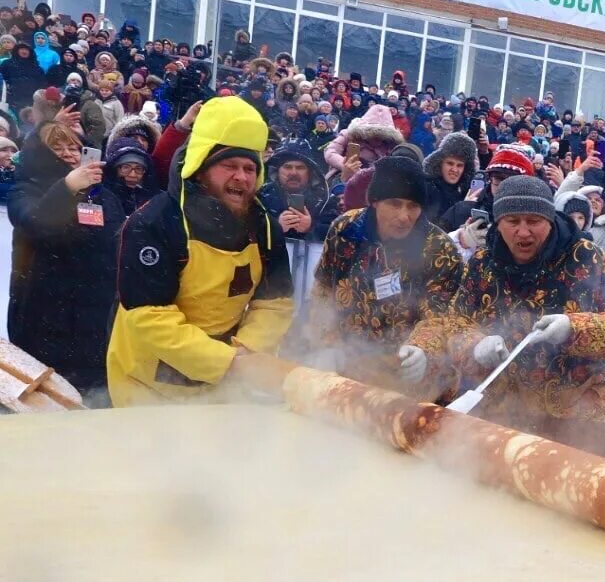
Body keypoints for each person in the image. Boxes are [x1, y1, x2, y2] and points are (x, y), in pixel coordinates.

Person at [407, 175, 605, 429]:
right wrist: (475, 346)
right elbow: (454, 324)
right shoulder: (483, 264)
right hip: (500, 415)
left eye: (533, 221)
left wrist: (573, 328)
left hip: (575, 420)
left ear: (549, 220)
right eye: (512, 221)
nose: (523, 231)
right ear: (498, 221)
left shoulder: (586, 258)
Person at [105, 96, 293, 406]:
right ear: (201, 167)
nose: (242, 177)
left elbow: (276, 303)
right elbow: (150, 316)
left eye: (250, 168)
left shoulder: (265, 227)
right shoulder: (153, 222)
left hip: (222, 385)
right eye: (229, 165)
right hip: (147, 382)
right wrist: (226, 363)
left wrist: (246, 351)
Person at [305, 155, 463, 394]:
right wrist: (326, 343)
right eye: (395, 203)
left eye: (413, 206)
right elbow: (324, 289)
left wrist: (423, 349)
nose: (404, 216)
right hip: (351, 367)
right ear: (375, 201)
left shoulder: (440, 250)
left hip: (412, 375)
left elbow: (440, 316)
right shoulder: (345, 230)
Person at [6, 119, 125, 397]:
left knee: (94, 404)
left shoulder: (103, 196)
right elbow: (36, 222)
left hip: (96, 321)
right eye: (57, 148)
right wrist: (67, 187)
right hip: (45, 321)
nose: (70, 154)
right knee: (48, 403)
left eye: (74, 147)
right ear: (41, 155)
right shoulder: (25, 190)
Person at [260, 139, 337, 312]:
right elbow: (246, 229)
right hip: (269, 285)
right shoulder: (261, 197)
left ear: (310, 172)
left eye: (300, 167)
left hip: (309, 286)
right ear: (277, 171)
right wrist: (274, 227)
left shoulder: (325, 200)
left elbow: (336, 234)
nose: (293, 172)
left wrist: (311, 228)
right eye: (287, 167)